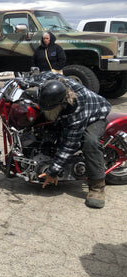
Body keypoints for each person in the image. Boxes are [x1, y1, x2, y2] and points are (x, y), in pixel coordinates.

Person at [37, 72, 111, 208]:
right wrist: (19, 83)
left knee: (90, 141)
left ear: (61, 103)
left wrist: (53, 171)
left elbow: (68, 145)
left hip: (95, 112)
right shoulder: (49, 81)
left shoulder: (76, 111)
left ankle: (97, 187)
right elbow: (39, 75)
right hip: (73, 109)